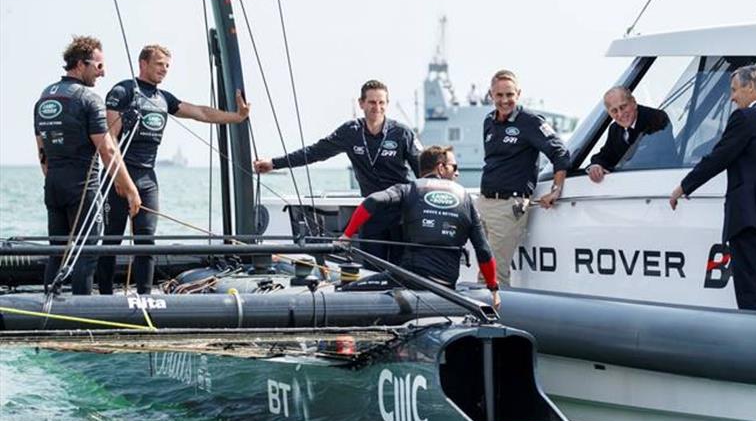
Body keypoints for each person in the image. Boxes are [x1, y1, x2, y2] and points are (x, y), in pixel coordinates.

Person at [97, 44, 250, 295]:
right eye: (159, 64)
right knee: (111, 239)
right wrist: (122, 179)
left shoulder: (163, 99)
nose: (164, 70)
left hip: (147, 178)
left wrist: (236, 117)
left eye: (167, 66)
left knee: (146, 241)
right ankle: (104, 298)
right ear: (143, 63)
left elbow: (200, 112)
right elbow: (109, 139)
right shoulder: (123, 91)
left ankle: (145, 297)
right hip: (119, 176)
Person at [669, 65, 756, 311]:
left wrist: (683, 187)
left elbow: (719, 157)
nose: (732, 97)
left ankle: (754, 346)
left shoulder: (745, 118)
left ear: (750, 87)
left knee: (749, 296)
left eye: (734, 89)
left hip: (749, 218)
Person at [253, 79, 421, 262]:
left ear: (387, 104)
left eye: (382, 102)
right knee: (375, 268)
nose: (377, 107)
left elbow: (423, 170)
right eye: (372, 102)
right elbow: (314, 152)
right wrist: (274, 164)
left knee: (404, 268)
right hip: (372, 212)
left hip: (402, 212)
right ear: (361, 103)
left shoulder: (402, 133)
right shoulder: (350, 132)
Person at [34, 36, 141, 295]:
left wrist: (53, 179)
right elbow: (108, 149)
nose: (103, 74)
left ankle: (50, 310)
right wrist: (130, 190)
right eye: (99, 66)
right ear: (81, 64)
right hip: (83, 188)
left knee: (57, 251)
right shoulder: (89, 99)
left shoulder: (46, 96)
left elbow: (42, 149)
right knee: (87, 251)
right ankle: (83, 314)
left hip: (54, 185)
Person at [338, 145, 500, 309]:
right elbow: (484, 251)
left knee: (344, 291)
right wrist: (493, 288)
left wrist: (346, 235)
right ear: (441, 168)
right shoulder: (466, 198)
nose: (457, 173)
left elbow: (373, 201)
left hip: (411, 280)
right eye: (454, 168)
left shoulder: (409, 189)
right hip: (447, 284)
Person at [478, 69, 570, 286]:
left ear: (518, 94)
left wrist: (556, 190)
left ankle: (493, 319)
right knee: (484, 270)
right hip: (485, 203)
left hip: (510, 205)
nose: (505, 100)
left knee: (493, 274)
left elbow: (560, 152)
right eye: (499, 95)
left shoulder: (530, 121)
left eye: (509, 95)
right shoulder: (488, 122)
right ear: (491, 96)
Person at [586, 87, 677, 183]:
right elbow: (606, 155)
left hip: (661, 181)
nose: (620, 114)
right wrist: (596, 166)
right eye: (614, 111)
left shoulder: (656, 118)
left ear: (633, 102)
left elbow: (655, 155)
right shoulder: (614, 129)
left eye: (623, 107)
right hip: (632, 183)